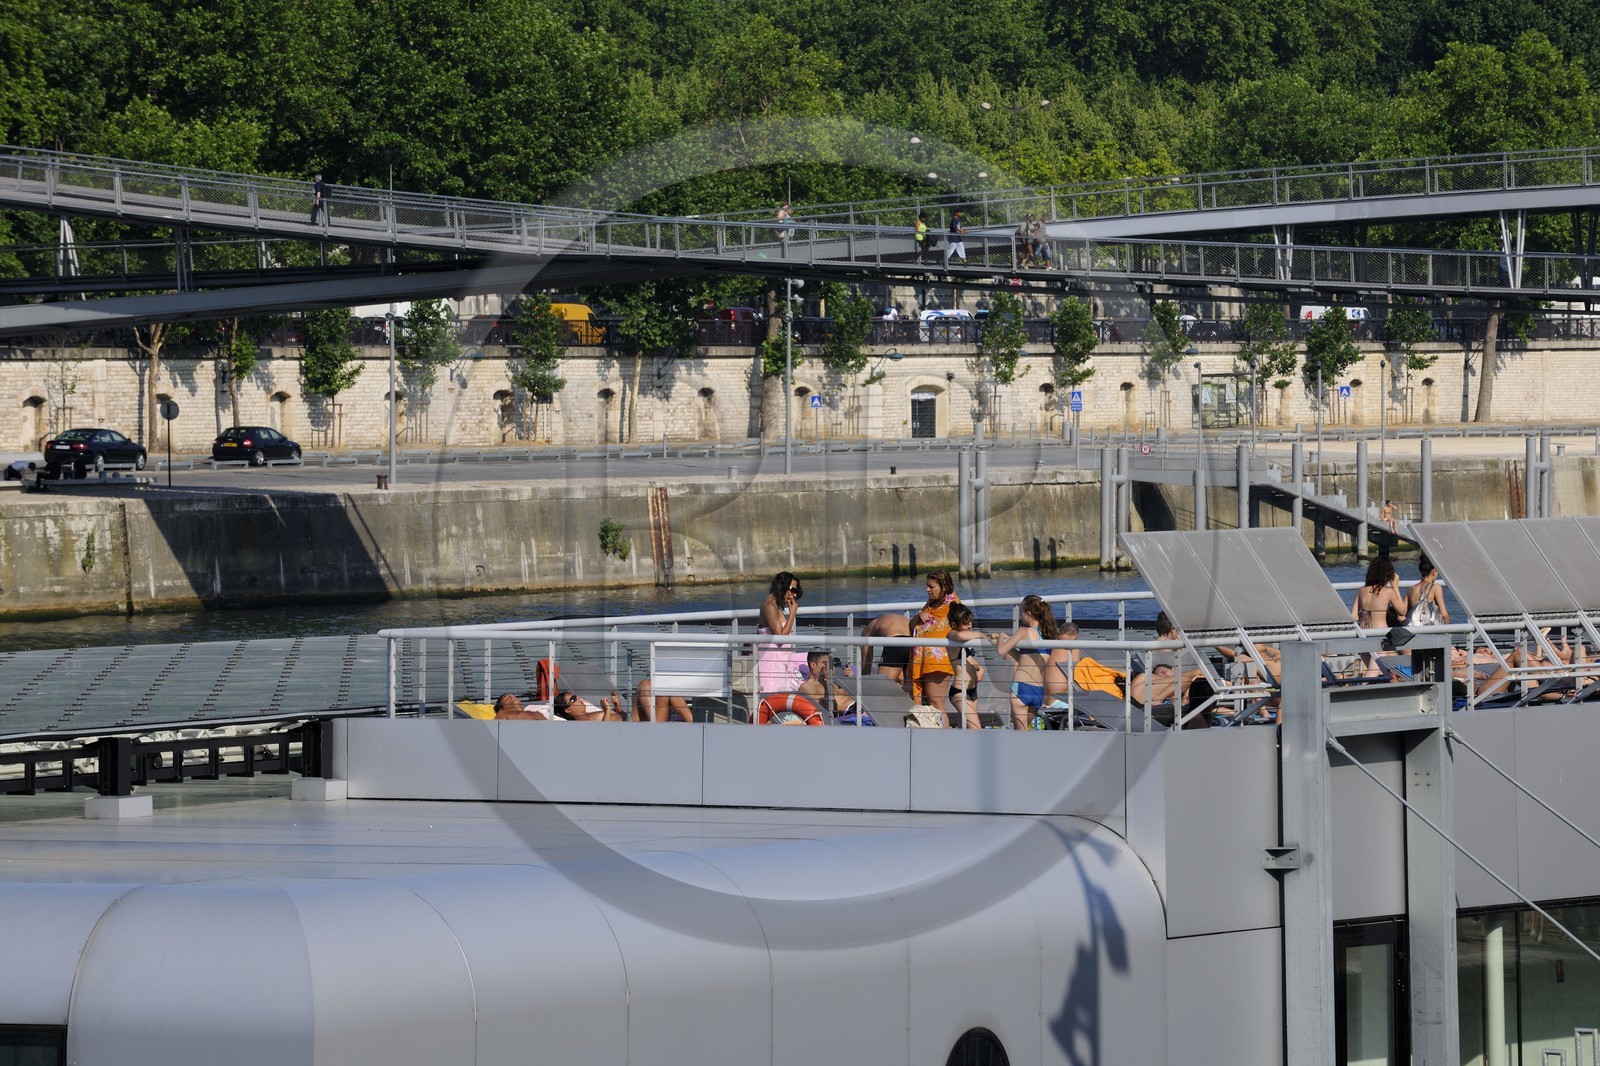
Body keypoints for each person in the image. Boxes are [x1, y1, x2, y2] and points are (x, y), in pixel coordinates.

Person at [990, 594, 1057, 730]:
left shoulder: (1024, 631)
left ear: (1029, 613)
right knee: (1024, 732)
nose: (1020, 615)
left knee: (1019, 734)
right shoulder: (1048, 635)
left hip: (1021, 688)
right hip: (1038, 691)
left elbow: (1001, 651)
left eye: (1021, 612)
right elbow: (1023, 658)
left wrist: (1001, 637)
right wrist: (1010, 646)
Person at [909, 568, 959, 716]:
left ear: (943, 587)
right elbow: (912, 626)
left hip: (938, 660)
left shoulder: (953, 605)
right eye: (927, 586)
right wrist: (919, 616)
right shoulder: (931, 604)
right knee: (930, 705)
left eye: (931, 587)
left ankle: (943, 738)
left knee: (936, 705)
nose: (927, 590)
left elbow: (964, 628)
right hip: (924, 660)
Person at [1351, 556, 1408, 676]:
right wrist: (1395, 587)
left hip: (1363, 634)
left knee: (1375, 673)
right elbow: (1402, 611)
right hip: (1380, 638)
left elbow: (1354, 616)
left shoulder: (1361, 590)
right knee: (1371, 674)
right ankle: (1359, 693)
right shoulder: (1388, 592)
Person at [757, 571, 806, 692]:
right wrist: (793, 613)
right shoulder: (770, 606)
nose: (794, 595)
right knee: (770, 698)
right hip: (771, 663)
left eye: (796, 591)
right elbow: (780, 637)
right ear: (782, 587)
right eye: (793, 590)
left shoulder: (776, 605)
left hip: (779, 662)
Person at [797, 650, 859, 720]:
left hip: (861, 705)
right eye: (824, 663)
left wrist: (849, 679)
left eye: (828, 664)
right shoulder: (807, 686)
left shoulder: (828, 680)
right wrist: (829, 679)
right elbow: (825, 712)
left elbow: (848, 693)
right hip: (851, 713)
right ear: (813, 665)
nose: (827, 667)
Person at [861, 611, 913, 686]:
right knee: (907, 684)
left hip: (896, 641)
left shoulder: (870, 626)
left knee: (883, 685)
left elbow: (866, 661)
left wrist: (865, 682)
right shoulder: (900, 619)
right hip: (914, 640)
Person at [1406, 554, 1450, 627]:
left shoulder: (1411, 589)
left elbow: (1401, 615)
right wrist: (1449, 630)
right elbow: (1444, 614)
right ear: (1434, 571)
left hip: (1414, 631)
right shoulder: (1435, 587)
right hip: (1430, 630)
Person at [552, 689, 625, 721]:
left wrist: (618, 708)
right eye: (573, 699)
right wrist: (607, 710)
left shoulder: (587, 714)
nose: (578, 698)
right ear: (568, 709)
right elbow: (602, 734)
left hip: (628, 721)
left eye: (576, 696)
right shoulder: (581, 720)